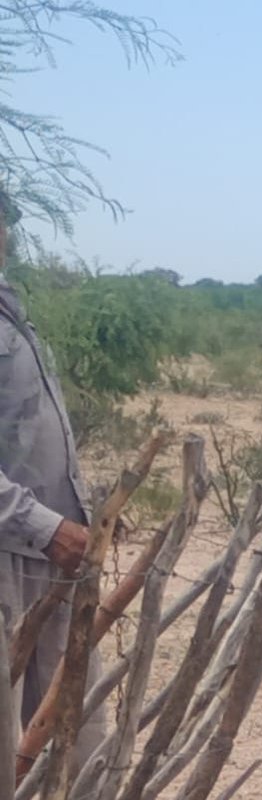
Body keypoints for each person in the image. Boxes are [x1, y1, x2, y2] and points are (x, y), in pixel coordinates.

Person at [0, 202, 106, 768]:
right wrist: (45, 527)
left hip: (49, 559)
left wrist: (81, 513)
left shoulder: (13, 311)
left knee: (69, 738)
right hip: (12, 560)